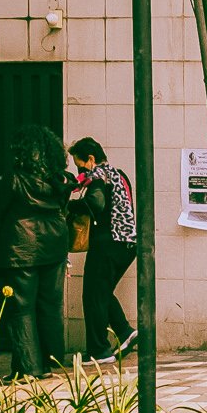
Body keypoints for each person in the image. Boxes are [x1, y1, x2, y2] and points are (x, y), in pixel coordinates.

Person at [0, 124, 71, 377]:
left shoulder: (14, 178)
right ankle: (52, 363)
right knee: (50, 304)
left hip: (20, 248)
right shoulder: (61, 181)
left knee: (21, 307)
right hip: (55, 244)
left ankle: (28, 368)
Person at [69, 138, 137, 364]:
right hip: (126, 244)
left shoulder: (98, 176)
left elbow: (96, 204)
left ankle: (99, 351)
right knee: (101, 292)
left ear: (90, 159)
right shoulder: (118, 174)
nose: (79, 170)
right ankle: (125, 331)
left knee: (93, 295)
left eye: (79, 165)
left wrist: (69, 205)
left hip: (108, 243)